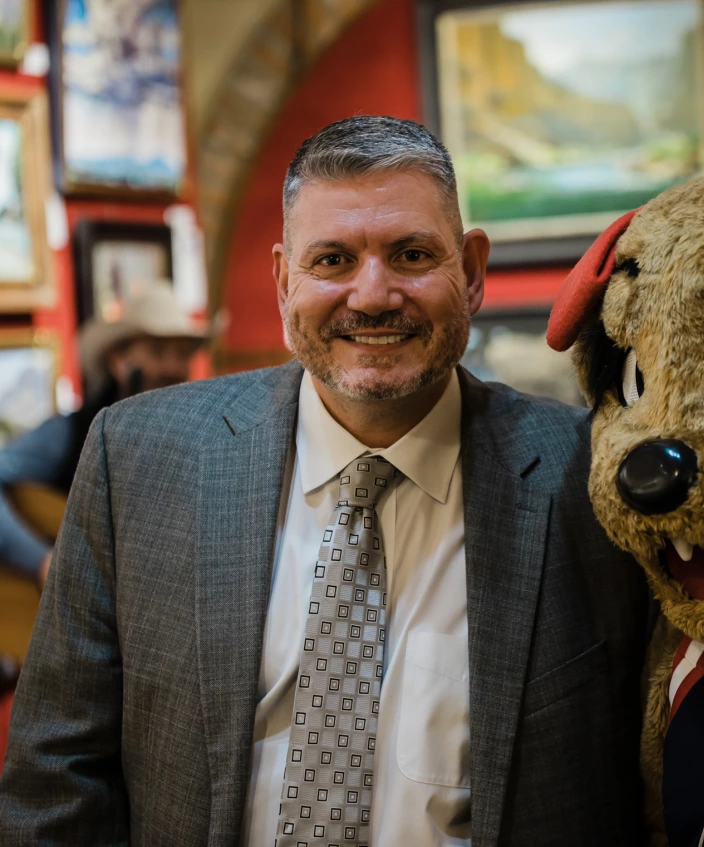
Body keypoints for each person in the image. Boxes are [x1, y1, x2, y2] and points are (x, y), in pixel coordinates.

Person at [0, 116, 651, 846]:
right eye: (333, 259)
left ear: (470, 273)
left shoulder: (589, 478)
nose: (372, 295)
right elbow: (55, 779)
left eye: (410, 254)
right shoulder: (139, 460)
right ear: (283, 282)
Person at [0, 284, 207, 588]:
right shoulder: (69, 434)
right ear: (118, 362)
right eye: (158, 351)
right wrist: (40, 561)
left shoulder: (201, 441)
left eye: (182, 353)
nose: (173, 366)